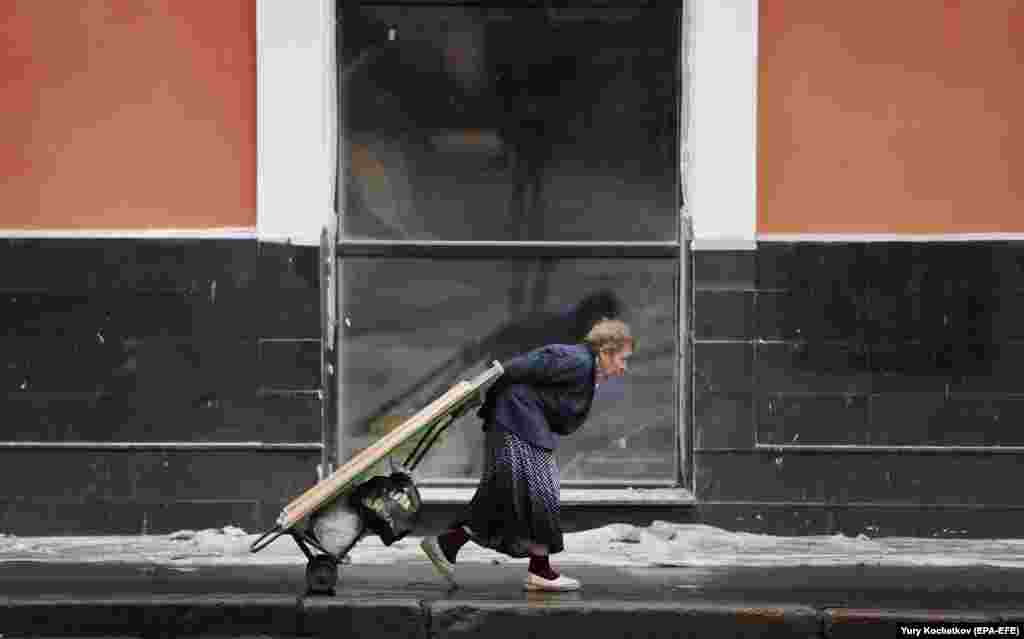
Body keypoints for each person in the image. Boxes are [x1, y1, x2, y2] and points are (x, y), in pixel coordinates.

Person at [420, 318, 634, 591]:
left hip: (521, 423)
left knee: (511, 493)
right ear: (605, 351)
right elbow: (515, 369)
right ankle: (538, 570)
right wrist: (486, 400)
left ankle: (449, 544)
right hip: (517, 421)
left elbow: (558, 410)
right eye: (622, 359)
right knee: (537, 491)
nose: (623, 367)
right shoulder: (576, 360)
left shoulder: (585, 369)